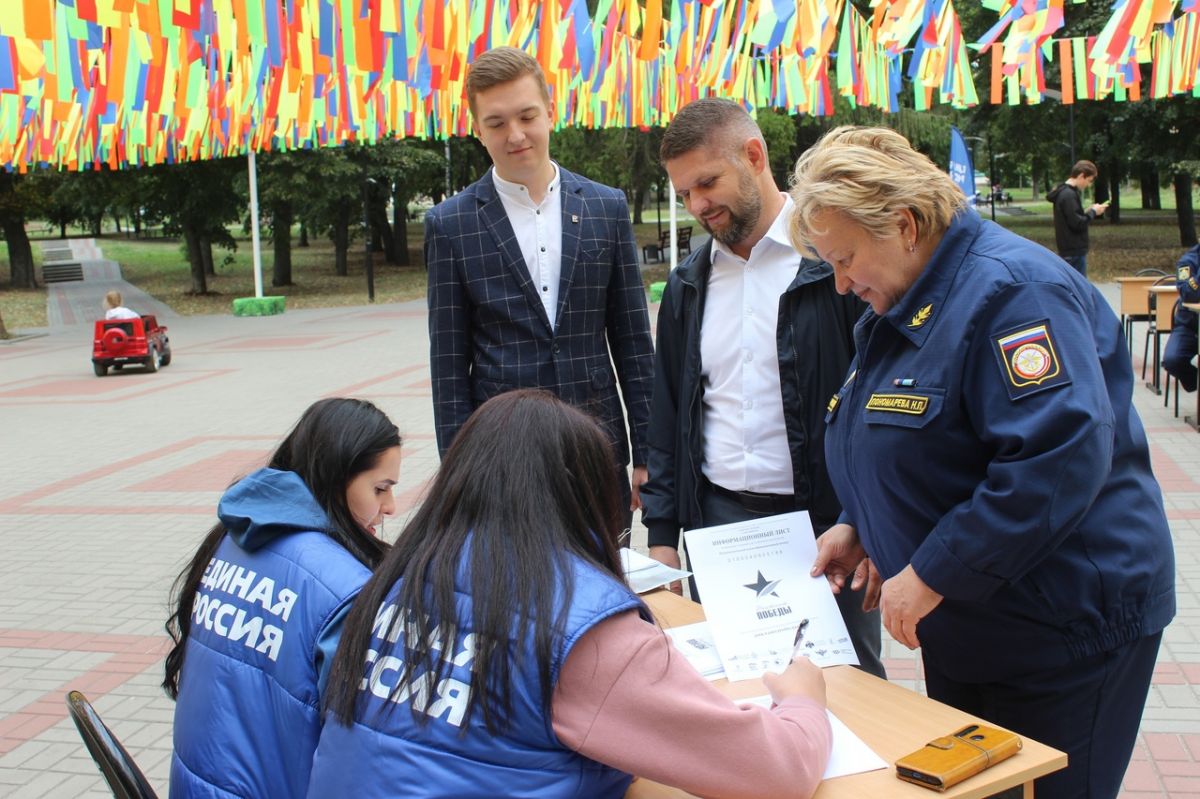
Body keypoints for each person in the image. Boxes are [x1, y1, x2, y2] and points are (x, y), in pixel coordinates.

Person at [790, 126, 1176, 799]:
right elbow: (898, 430)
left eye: (846, 258)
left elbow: (1056, 459)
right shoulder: (903, 299)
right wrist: (863, 523)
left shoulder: (1013, 293)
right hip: (975, 622)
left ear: (905, 225)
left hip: (1063, 630)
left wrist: (932, 567)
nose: (844, 284)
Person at [310, 390, 832, 799]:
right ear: (581, 492)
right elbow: (774, 771)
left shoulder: (402, 576)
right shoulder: (583, 627)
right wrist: (805, 703)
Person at [639, 98, 883, 678]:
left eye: (707, 183)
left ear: (754, 156)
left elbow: (877, 405)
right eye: (684, 195)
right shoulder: (688, 284)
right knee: (736, 694)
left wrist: (868, 520)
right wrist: (663, 535)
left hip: (828, 529)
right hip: (718, 527)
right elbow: (669, 414)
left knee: (851, 691)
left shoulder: (833, 266)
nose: (698, 206)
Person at [424, 46, 654, 527]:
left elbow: (633, 344)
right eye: (497, 123)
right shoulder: (451, 224)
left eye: (527, 115)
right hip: (502, 460)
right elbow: (448, 369)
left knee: (605, 586)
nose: (516, 135)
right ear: (476, 129)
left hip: (598, 448)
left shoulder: (605, 208)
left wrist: (651, 456)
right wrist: (457, 476)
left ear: (551, 111)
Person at [163, 398, 400, 798]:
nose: (391, 507)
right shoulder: (344, 590)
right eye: (380, 489)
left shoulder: (232, 538)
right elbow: (365, 755)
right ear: (336, 476)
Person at [1046, 160, 1108, 277]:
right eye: (1089, 181)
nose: (1088, 185)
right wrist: (1094, 212)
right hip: (1073, 250)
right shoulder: (1069, 195)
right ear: (1081, 175)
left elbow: (1071, 217)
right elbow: (1078, 223)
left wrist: (1087, 212)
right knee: (1078, 288)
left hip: (1069, 248)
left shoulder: (1064, 193)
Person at [1163, 243, 1200, 393]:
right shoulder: (1187, 261)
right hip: (1190, 326)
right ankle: (1195, 382)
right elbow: (1187, 293)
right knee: (1172, 360)